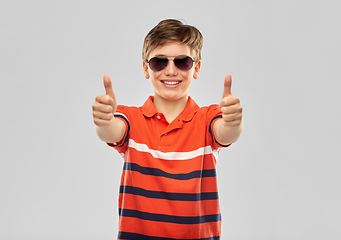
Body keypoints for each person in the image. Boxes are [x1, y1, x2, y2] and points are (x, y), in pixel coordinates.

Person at [92, 19, 243, 240]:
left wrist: (233, 123)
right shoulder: (131, 118)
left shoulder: (207, 118)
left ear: (197, 68)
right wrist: (104, 122)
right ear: (146, 68)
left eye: (182, 62)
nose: (170, 71)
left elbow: (226, 132)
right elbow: (112, 131)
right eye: (159, 62)